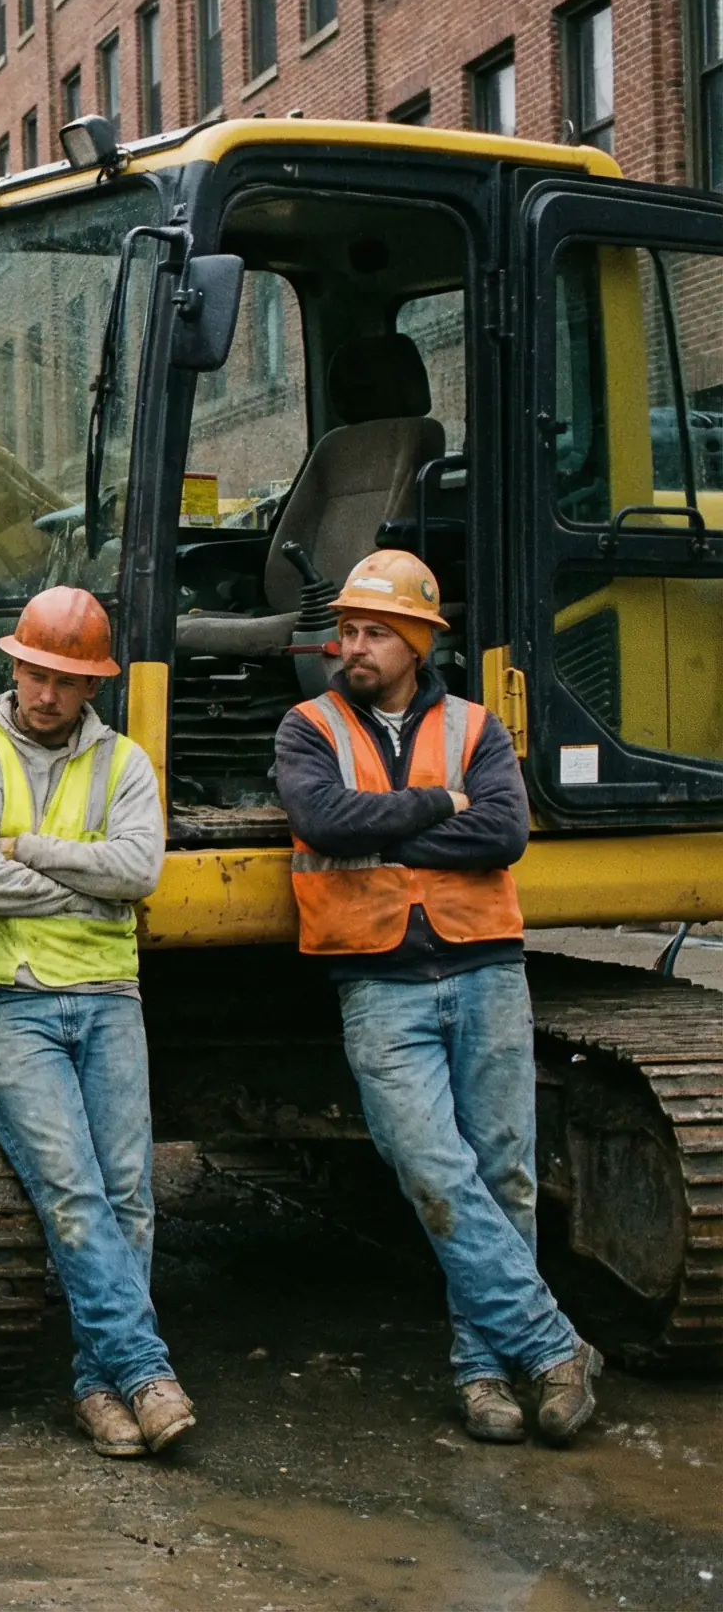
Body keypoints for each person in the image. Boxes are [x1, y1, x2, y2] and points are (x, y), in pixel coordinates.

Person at [274, 549, 598, 1447]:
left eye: (376, 631)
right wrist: (436, 806)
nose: (353, 646)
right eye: (348, 630)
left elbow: (501, 832)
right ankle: (554, 1344)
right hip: (378, 982)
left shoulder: (478, 726)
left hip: (486, 969)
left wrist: (399, 826)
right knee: (432, 1169)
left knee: (505, 1176)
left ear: (419, 640)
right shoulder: (307, 728)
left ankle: (484, 1371)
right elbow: (323, 822)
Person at [0, 586, 191, 1459]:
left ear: (93, 687)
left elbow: (141, 869)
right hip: (7, 996)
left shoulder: (126, 766)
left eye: (67, 682)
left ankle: (97, 1384)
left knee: (129, 1198)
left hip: (111, 995)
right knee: (72, 1191)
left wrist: (31, 850)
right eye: (37, 674)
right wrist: (90, 893)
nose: (47, 695)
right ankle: (145, 1371)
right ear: (15, 665)